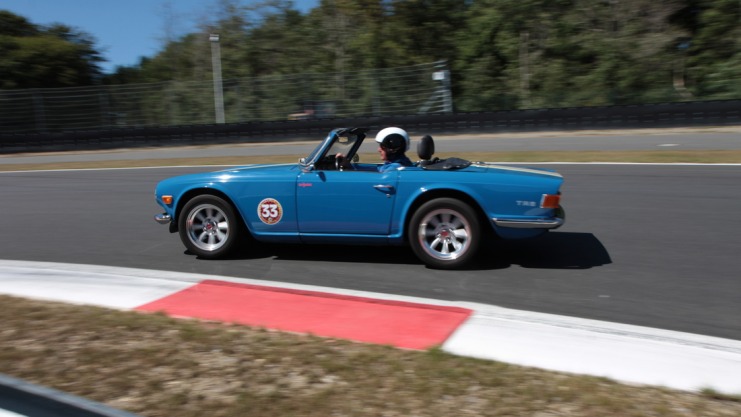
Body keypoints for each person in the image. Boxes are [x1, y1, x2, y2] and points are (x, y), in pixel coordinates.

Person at [337, 127, 413, 172]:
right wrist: (350, 166)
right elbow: (376, 169)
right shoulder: (396, 164)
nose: (379, 149)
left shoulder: (395, 168)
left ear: (392, 148)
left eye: (382, 146)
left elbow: (377, 175)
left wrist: (351, 170)